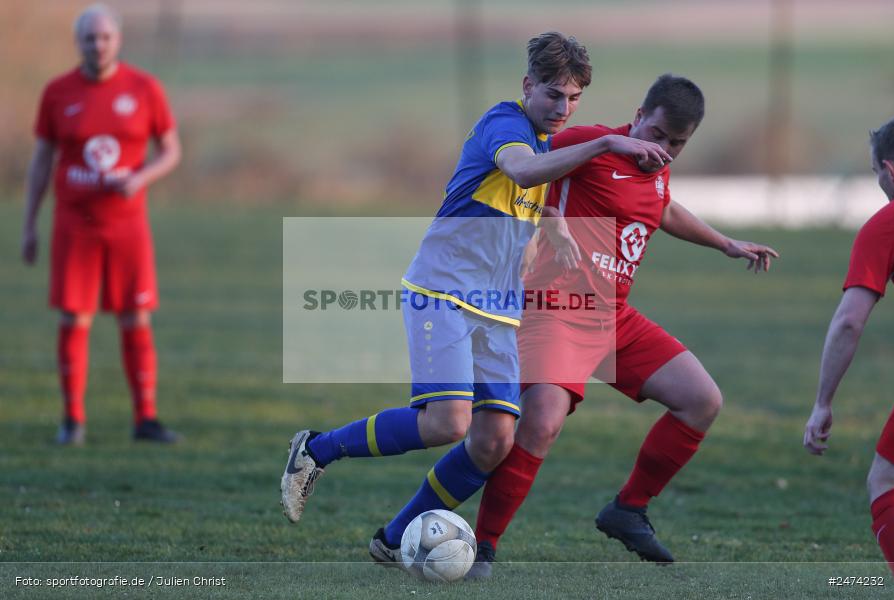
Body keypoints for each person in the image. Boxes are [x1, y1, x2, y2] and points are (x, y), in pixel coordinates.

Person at [280, 33, 673, 563]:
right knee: (448, 423)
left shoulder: (540, 140)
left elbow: (524, 194)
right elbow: (519, 171)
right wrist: (606, 143)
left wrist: (552, 224)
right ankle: (316, 449)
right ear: (527, 85)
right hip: (442, 292)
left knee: (493, 441)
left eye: (574, 98)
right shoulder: (506, 125)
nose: (563, 108)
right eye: (553, 94)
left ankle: (393, 539)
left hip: (497, 309)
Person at [465, 74, 780, 578]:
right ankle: (482, 547)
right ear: (638, 114)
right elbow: (521, 175)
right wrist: (544, 222)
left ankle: (628, 509)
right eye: (657, 134)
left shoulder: (657, 167)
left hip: (613, 317)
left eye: (678, 143)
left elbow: (664, 208)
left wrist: (725, 243)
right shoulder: (589, 143)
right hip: (556, 309)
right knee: (541, 423)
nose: (665, 149)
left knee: (702, 400)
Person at [21, 4, 182, 445]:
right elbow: (40, 162)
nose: (98, 45)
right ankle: (72, 420)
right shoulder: (58, 93)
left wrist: (140, 178)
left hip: (127, 225)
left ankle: (145, 419)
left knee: (136, 316)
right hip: (75, 224)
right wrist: (29, 223)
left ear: (118, 40)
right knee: (75, 317)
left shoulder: (144, 88)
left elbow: (171, 151)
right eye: (90, 38)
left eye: (105, 37)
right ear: (79, 43)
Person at [804, 116, 894, 586]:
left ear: (890, 171)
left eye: (876, 175)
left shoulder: (886, 225)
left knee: (886, 480)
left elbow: (849, 321)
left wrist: (823, 402)